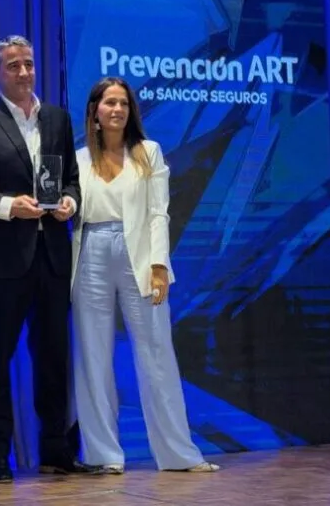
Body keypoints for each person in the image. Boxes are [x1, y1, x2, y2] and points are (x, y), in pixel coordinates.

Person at [69, 76, 220, 475]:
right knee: (93, 356)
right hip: (90, 252)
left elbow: (158, 214)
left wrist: (158, 265)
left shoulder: (149, 152)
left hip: (139, 255)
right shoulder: (78, 158)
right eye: (110, 103)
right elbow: (70, 206)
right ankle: (103, 455)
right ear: (94, 112)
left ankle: (178, 454)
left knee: (156, 352)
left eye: (123, 103)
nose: (117, 109)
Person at [0, 35, 90, 482]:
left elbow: (70, 179)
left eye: (29, 64)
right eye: (13, 65)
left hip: (51, 257)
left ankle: (56, 448)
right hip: (0, 262)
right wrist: (7, 205)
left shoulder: (57, 118)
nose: (23, 72)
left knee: (54, 358)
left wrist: (70, 201)